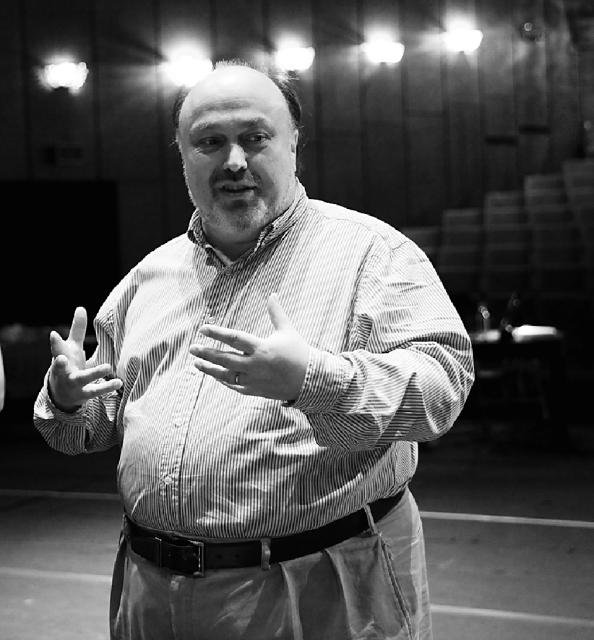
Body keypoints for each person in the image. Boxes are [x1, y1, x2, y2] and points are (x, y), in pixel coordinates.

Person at [33, 59, 474, 640]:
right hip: (151, 593)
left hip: (317, 588)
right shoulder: (148, 279)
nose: (234, 161)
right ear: (183, 156)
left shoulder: (373, 254)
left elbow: (441, 390)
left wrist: (311, 380)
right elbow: (86, 431)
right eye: (210, 142)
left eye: (255, 137)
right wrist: (68, 400)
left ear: (293, 145)